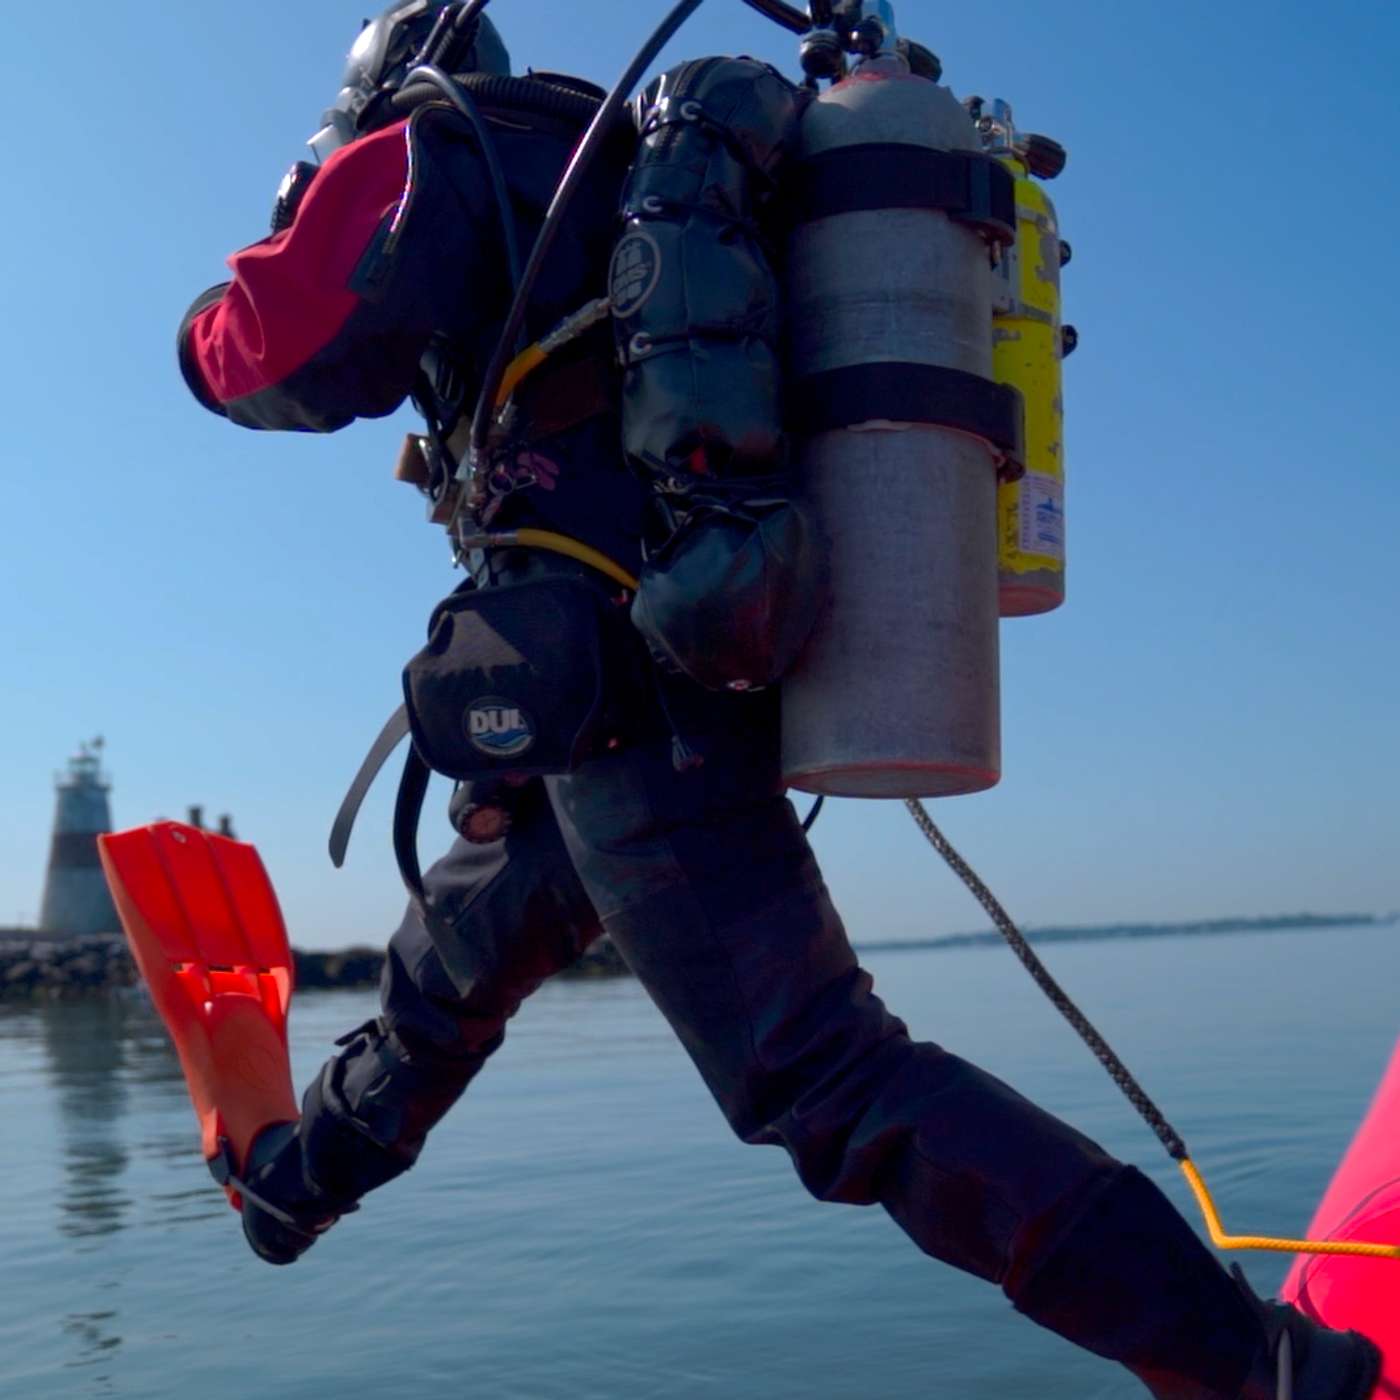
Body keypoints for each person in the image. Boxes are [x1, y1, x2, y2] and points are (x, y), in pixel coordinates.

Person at [175, 5, 1380, 1396]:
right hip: (662, 655)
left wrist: (210, 313)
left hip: (627, 685)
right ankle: (292, 1189)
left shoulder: (433, 149)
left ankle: (1260, 1369)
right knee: (449, 975)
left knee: (820, 1077)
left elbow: (274, 349)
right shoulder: (625, 161)